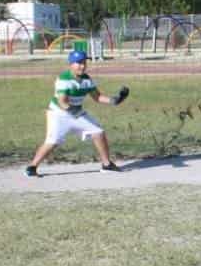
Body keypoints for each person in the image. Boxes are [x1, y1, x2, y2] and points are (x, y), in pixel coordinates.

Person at [26, 49, 129, 177]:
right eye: (78, 63)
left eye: (84, 62)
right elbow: (62, 102)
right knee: (52, 141)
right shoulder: (64, 79)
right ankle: (32, 167)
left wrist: (115, 100)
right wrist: (73, 111)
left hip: (75, 112)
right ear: (71, 64)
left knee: (98, 132)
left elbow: (97, 97)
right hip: (58, 114)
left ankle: (107, 164)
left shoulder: (86, 79)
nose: (82, 65)